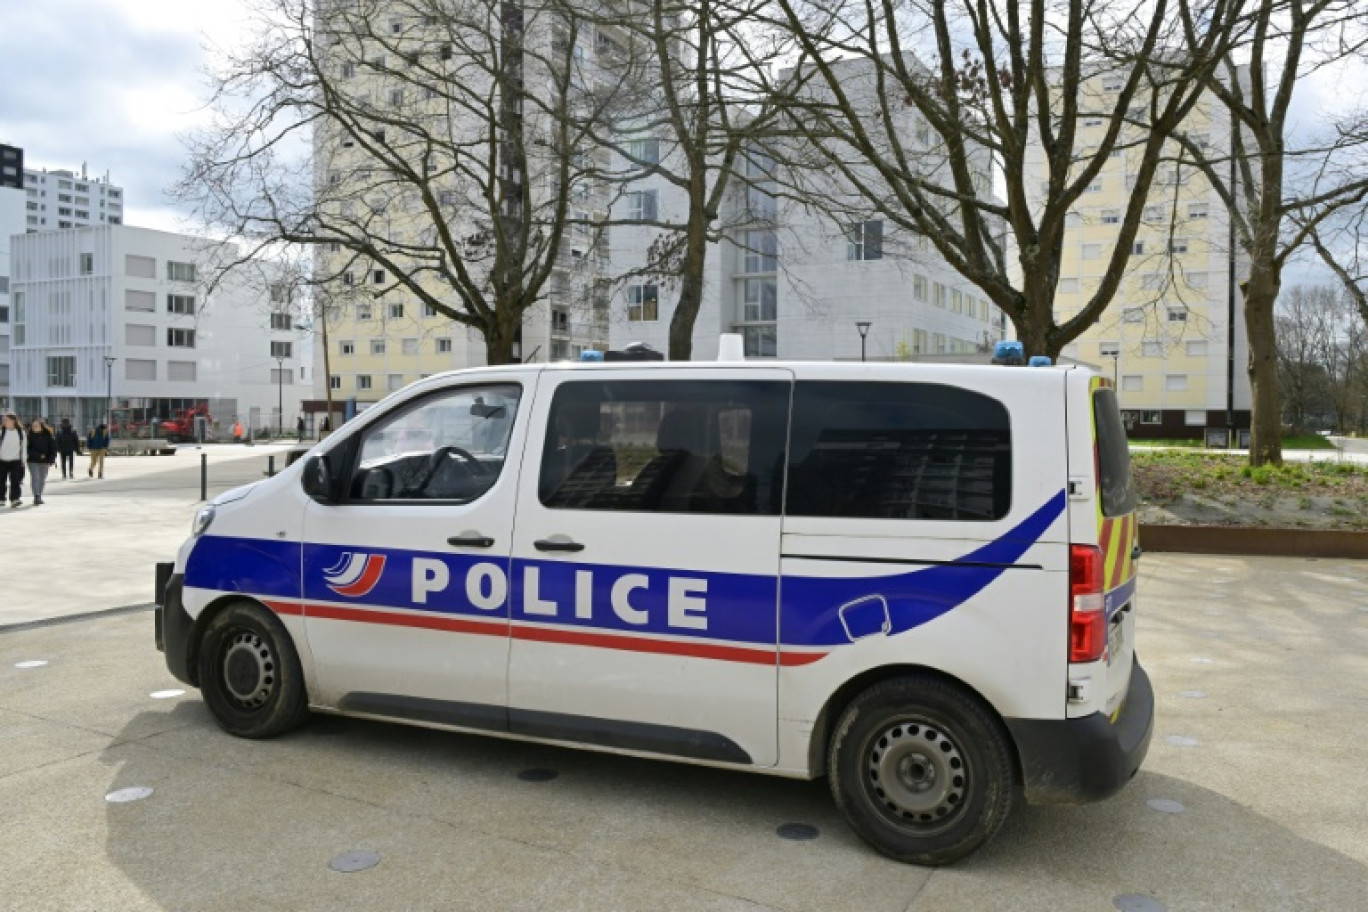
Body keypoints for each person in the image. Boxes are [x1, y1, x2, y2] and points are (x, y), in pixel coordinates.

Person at [26, 419, 56, 506]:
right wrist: (38, 455)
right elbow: (27, 450)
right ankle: (36, 496)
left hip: (45, 461)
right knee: (35, 477)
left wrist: (51, 459)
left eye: (36, 426)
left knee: (42, 479)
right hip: (32, 461)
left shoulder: (48, 436)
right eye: (33, 426)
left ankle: (39, 495)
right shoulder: (29, 436)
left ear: (41, 427)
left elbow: (53, 449)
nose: (34, 427)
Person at [0, 411, 24, 507]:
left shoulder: (20, 432)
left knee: (15, 480)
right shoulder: (2, 432)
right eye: (4, 420)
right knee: (1, 480)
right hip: (2, 460)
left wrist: (24, 460)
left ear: (13, 420)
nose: (4, 421)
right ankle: (1, 498)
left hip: (16, 460)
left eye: (7, 420)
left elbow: (24, 447)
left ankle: (15, 499)